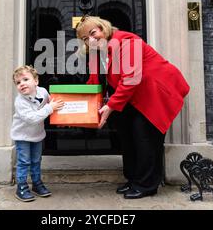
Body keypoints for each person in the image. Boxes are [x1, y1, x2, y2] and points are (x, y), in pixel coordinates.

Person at [76, 16, 190, 199]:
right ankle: (133, 179)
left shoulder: (126, 40)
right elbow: (93, 82)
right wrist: (81, 105)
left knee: (144, 137)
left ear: (102, 27)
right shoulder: (96, 54)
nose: (91, 39)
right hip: (132, 97)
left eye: (92, 33)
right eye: (85, 38)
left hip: (154, 92)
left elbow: (131, 78)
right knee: (128, 136)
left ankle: (147, 185)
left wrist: (110, 106)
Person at [11, 65, 64, 202]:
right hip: (22, 136)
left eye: (25, 79)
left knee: (36, 161)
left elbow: (53, 104)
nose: (22, 84)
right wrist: (49, 108)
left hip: (37, 135)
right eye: (18, 82)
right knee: (24, 162)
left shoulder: (43, 92)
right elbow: (32, 118)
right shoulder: (20, 101)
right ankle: (21, 186)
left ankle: (37, 183)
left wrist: (61, 114)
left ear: (36, 81)